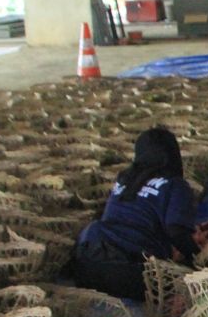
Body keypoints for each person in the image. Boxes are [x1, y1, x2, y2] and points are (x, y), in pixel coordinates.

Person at [73, 128, 199, 302]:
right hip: (133, 273)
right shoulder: (174, 185)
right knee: (181, 279)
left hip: (88, 263)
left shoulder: (125, 178)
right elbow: (176, 231)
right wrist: (198, 260)